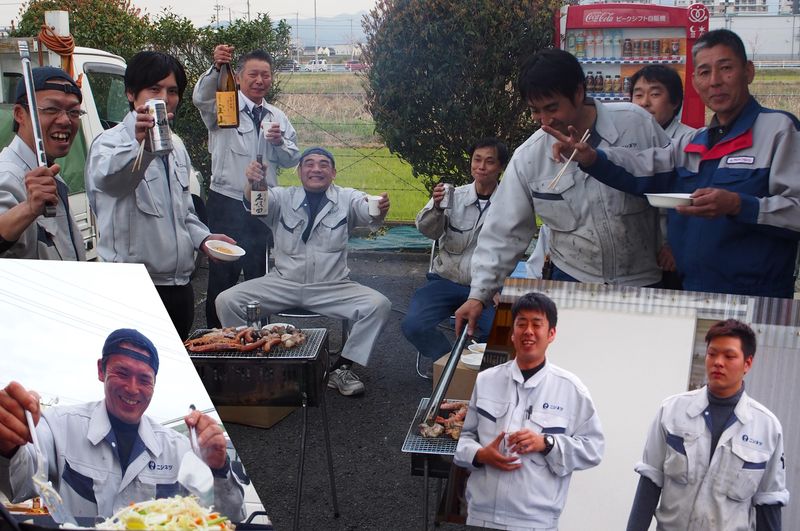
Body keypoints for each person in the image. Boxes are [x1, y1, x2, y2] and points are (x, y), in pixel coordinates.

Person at [545, 29, 800, 298]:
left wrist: (738, 205)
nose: (715, 81)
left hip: (757, 296)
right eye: (704, 72)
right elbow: (642, 166)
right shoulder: (694, 143)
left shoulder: (779, 131)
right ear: (695, 82)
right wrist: (592, 157)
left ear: (748, 71)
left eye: (726, 68)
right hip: (692, 291)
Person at [455, 48, 670, 336]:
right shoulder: (529, 157)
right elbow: (503, 232)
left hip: (644, 281)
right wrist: (479, 294)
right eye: (535, 110)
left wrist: (672, 242)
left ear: (579, 92)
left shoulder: (635, 124)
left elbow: (673, 184)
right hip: (572, 282)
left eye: (552, 107)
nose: (544, 121)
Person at [0, 328, 246, 521]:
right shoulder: (57, 426)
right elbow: (17, 485)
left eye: (144, 379)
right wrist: (8, 443)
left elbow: (228, 517)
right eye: (122, 373)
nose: (132, 388)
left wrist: (218, 468)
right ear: (101, 370)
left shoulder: (179, 448)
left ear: (154, 384)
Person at [215, 147, 391, 396]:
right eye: (309, 163)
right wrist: (253, 183)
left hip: (332, 286)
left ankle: (341, 368)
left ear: (333, 173)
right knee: (226, 300)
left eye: (323, 164)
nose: (316, 169)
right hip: (283, 283)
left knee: (379, 305)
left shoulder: (347, 198)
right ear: (299, 171)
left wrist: (380, 208)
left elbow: (366, 210)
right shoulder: (282, 197)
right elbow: (257, 204)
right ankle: (252, 364)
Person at [85, 51, 234, 339]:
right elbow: (111, 183)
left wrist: (204, 239)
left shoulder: (176, 145)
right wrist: (141, 146)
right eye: (154, 89)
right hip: (132, 287)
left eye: (172, 91)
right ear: (131, 94)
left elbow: (183, 211)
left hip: (179, 287)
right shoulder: (110, 142)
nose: (165, 98)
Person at [454, 292, 604, 530]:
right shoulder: (485, 381)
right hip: (481, 515)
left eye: (537, 324)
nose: (528, 331)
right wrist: (479, 455)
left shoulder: (571, 389)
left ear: (551, 333)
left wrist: (547, 443)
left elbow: (593, 449)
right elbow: (460, 437)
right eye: (521, 324)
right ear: (513, 333)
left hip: (536, 522)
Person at [626, 319, 787, 530]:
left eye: (729, 356)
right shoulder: (672, 411)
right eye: (712, 354)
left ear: (747, 363)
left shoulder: (767, 428)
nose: (718, 362)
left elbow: (769, 502)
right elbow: (649, 483)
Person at [193, 45, 301, 329]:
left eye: (265, 75)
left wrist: (280, 142)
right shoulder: (224, 107)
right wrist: (217, 68)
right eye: (253, 74)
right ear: (238, 77)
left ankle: (260, 334)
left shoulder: (276, 116)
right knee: (223, 275)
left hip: (263, 203)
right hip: (226, 201)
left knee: (259, 274)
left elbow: (292, 159)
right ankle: (218, 336)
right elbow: (200, 98)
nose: (259, 80)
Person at [402, 138, 509, 360]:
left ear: (501, 167)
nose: (481, 166)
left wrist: (498, 286)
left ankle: (477, 368)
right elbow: (428, 231)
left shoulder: (509, 204)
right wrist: (436, 208)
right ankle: (448, 362)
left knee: (501, 332)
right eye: (477, 160)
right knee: (413, 324)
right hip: (446, 281)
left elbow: (510, 251)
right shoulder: (453, 196)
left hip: (487, 288)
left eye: (489, 161)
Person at [0, 66, 85, 260]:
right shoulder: (8, 176)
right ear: (20, 114)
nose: (65, 120)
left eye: (74, 112)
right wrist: (28, 209)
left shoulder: (48, 171)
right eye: (51, 109)